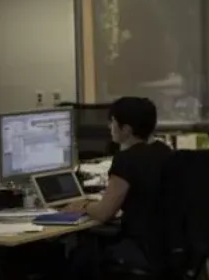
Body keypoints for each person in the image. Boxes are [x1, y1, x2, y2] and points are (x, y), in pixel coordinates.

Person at [64, 96, 173, 277]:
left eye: (112, 122)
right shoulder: (165, 151)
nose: (109, 127)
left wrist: (83, 206)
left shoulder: (126, 160)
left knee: (79, 258)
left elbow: (104, 213)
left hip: (142, 248)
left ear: (126, 130)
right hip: (168, 247)